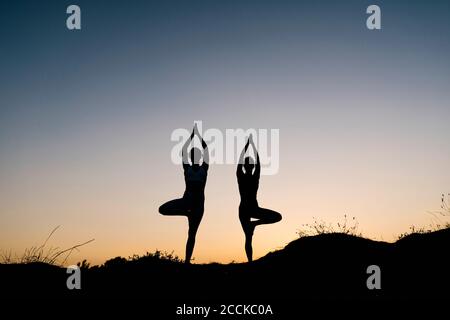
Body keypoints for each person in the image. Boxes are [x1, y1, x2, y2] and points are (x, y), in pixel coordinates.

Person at [159, 123, 209, 264]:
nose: (193, 156)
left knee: (191, 234)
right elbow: (183, 152)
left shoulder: (204, 168)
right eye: (192, 155)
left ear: (198, 157)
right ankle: (185, 213)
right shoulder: (187, 168)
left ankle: (187, 261)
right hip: (186, 201)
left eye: (195, 154)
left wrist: (198, 137)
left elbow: (206, 150)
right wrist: (190, 138)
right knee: (162, 209)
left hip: (199, 205)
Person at [237, 135, 282, 262]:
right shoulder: (242, 176)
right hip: (245, 209)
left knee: (277, 217)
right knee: (248, 237)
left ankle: (255, 224)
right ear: (247, 166)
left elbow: (257, 163)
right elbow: (254, 163)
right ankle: (250, 261)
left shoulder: (252, 176)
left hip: (253, 208)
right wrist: (251, 146)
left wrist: (248, 146)